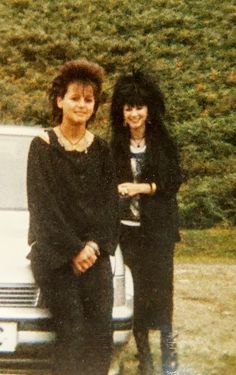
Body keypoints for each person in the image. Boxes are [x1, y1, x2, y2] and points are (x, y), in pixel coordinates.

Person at [27, 59, 119, 375]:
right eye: (75, 98)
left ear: (95, 105)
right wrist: (73, 250)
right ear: (59, 100)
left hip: (94, 256)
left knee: (99, 336)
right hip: (56, 256)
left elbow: (109, 206)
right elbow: (43, 208)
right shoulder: (42, 146)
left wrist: (93, 247)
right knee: (73, 332)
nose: (81, 105)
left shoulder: (102, 150)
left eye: (88, 99)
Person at [110, 70, 182, 375]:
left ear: (149, 108)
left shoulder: (163, 143)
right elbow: (108, 182)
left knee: (160, 288)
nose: (134, 113)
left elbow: (172, 181)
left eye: (139, 107)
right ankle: (144, 355)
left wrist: (140, 187)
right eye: (128, 107)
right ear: (121, 112)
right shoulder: (114, 145)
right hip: (128, 232)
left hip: (158, 230)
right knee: (135, 291)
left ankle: (167, 346)